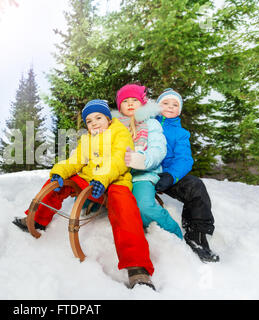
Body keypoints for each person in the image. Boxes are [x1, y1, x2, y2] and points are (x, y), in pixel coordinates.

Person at [12, 99, 156, 290]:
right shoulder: (86, 139)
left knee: (124, 207)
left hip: (114, 180)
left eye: (98, 117)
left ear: (107, 118)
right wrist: (60, 171)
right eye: (89, 121)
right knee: (58, 183)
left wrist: (103, 178)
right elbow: (76, 160)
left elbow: (119, 159)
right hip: (90, 180)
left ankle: (138, 268)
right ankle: (38, 218)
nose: (94, 123)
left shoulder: (119, 132)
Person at [155, 88, 219, 262]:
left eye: (175, 104)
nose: (170, 107)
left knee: (195, 186)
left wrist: (170, 176)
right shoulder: (146, 125)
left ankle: (196, 234)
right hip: (146, 172)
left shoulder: (180, 133)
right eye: (165, 103)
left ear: (180, 110)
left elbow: (184, 159)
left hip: (168, 175)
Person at [117, 84, 183, 239]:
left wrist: (143, 160)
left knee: (144, 206)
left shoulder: (151, 123)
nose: (131, 103)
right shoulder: (114, 126)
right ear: (120, 106)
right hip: (119, 174)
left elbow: (158, 149)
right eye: (126, 101)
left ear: (143, 103)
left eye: (135, 100)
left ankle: (174, 233)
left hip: (143, 174)